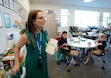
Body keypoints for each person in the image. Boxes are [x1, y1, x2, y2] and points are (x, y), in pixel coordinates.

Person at [12, 10, 49, 78]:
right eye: (41, 18)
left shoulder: (44, 33)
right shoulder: (27, 36)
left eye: (44, 18)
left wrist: (52, 48)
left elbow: (44, 45)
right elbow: (16, 48)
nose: (44, 20)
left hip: (43, 61)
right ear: (33, 21)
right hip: (32, 63)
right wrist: (16, 64)